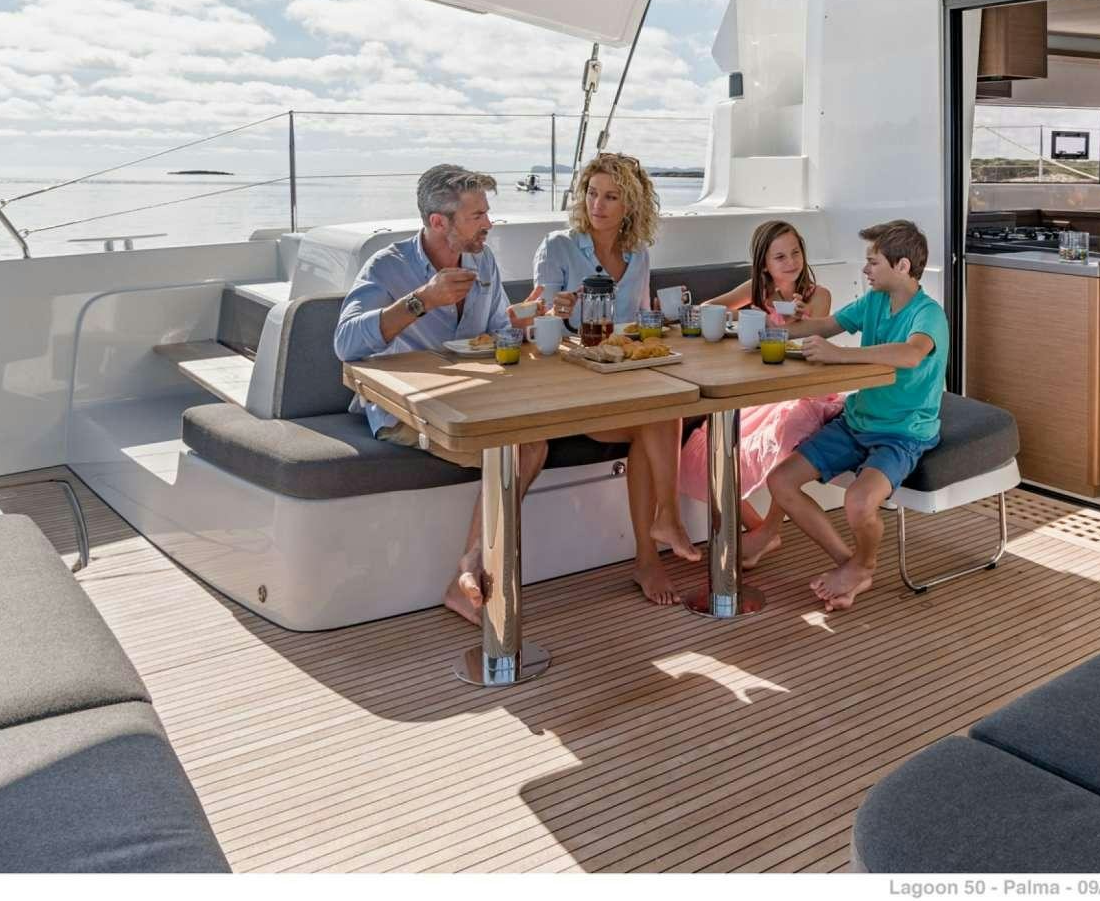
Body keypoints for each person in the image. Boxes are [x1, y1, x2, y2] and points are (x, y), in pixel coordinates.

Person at [333, 164, 535, 628]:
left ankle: (469, 569)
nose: (488, 223)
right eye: (477, 215)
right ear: (438, 222)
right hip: (405, 410)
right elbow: (345, 343)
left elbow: (500, 329)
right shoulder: (389, 266)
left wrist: (528, 320)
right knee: (521, 443)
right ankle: (475, 575)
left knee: (533, 436)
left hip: (471, 401)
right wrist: (421, 299)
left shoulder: (483, 261)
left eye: (487, 212)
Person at [528, 151, 699, 605]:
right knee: (660, 413)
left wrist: (659, 322)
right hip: (574, 382)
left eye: (611, 196)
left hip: (624, 378)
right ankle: (664, 528)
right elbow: (537, 324)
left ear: (630, 207)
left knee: (661, 410)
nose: (597, 204)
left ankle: (652, 550)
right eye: (591, 193)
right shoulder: (558, 247)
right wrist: (554, 311)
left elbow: (636, 324)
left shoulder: (638, 254)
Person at [766, 219, 948, 611]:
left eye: (873, 262)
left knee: (859, 503)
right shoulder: (874, 302)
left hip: (902, 433)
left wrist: (842, 355)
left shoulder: (927, 314)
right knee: (781, 482)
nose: (865, 270)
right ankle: (852, 566)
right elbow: (825, 326)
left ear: (901, 267)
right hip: (856, 421)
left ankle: (862, 564)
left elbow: (911, 353)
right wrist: (791, 321)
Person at [678, 219, 840, 569]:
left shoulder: (818, 296)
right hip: (762, 392)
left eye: (795, 253)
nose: (790, 262)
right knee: (704, 453)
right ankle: (758, 529)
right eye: (779, 256)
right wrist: (740, 320)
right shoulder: (756, 291)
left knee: (787, 431)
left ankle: (767, 531)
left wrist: (797, 320)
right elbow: (708, 308)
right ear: (764, 263)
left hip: (806, 392)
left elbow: (809, 339)